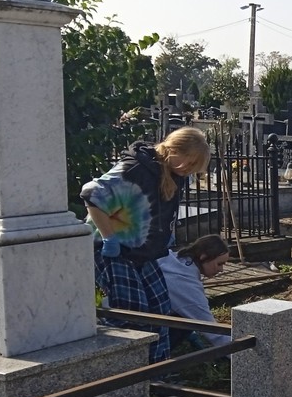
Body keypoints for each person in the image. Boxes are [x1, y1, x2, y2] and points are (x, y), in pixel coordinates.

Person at [82, 127, 211, 363]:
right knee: (133, 313)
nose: (190, 169)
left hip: (145, 252)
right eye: (189, 162)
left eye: (195, 166)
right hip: (115, 252)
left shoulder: (175, 174)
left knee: (160, 311)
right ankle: (129, 371)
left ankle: (156, 371)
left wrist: (164, 238)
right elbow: (91, 194)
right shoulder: (135, 169)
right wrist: (109, 238)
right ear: (173, 150)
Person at [158, 234, 232, 350]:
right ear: (203, 257)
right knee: (186, 322)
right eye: (219, 264)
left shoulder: (171, 257)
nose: (221, 269)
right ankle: (160, 354)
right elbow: (213, 331)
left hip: (140, 311)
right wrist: (242, 353)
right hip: (148, 325)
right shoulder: (187, 286)